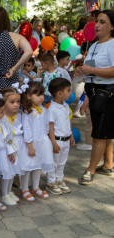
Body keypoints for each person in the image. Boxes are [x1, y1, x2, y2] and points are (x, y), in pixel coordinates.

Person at [78, 10, 114, 185]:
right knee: (103, 131)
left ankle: (90, 169)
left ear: (112, 26)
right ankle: (107, 165)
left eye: (103, 22)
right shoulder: (93, 45)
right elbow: (90, 69)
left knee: (99, 133)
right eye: (97, 21)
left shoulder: (113, 44)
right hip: (94, 91)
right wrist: (83, 71)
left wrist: (91, 70)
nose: (97, 25)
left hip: (107, 93)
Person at [0, 7, 32, 91]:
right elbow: (29, 52)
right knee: (13, 103)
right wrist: (14, 68)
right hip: (12, 83)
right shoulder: (17, 38)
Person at [20, 81, 53, 201]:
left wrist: (46, 140)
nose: (42, 98)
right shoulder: (26, 112)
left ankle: (35, 187)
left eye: (42, 95)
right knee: (28, 167)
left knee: (37, 166)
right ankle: (24, 189)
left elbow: (46, 125)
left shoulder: (43, 109)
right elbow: (27, 129)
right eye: (38, 95)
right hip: (30, 143)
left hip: (42, 141)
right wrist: (30, 145)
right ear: (28, 96)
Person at [47, 78, 75, 194]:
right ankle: (51, 182)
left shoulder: (65, 106)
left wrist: (71, 135)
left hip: (66, 139)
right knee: (54, 162)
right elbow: (50, 127)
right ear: (59, 93)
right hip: (57, 141)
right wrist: (53, 143)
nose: (70, 93)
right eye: (68, 90)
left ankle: (59, 179)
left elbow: (68, 122)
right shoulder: (52, 109)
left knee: (62, 162)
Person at [1, 87, 24, 205]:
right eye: (12, 102)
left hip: (18, 145)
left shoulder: (19, 115)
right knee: (7, 171)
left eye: (18, 102)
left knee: (14, 170)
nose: (16, 105)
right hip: (7, 148)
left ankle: (9, 191)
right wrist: (8, 150)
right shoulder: (2, 118)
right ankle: (4, 194)